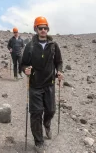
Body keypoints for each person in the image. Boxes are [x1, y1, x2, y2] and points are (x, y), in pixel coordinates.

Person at [21, 16, 64, 153]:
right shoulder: (30, 46)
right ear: (36, 29)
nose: (43, 30)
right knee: (36, 113)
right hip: (35, 85)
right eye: (41, 28)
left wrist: (60, 71)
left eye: (45, 28)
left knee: (50, 110)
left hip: (50, 84)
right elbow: (23, 63)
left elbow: (59, 61)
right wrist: (25, 69)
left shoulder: (53, 45)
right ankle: (39, 142)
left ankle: (47, 124)